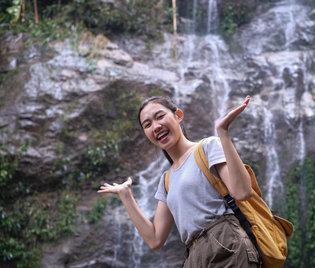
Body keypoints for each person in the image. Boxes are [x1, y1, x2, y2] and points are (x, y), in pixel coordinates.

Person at [98, 95, 261, 267]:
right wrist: (126, 195)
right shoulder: (167, 180)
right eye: (147, 124)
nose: (156, 126)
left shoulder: (207, 147)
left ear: (178, 115)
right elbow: (155, 239)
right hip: (194, 256)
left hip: (227, 245)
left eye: (160, 116)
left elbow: (243, 192)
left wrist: (223, 134)